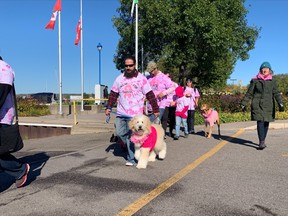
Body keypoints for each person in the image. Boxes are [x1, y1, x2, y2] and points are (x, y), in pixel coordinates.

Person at [105, 56, 159, 166]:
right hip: (121, 112)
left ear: (135, 65)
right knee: (120, 133)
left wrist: (155, 109)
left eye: (130, 65)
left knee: (130, 136)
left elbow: (150, 94)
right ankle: (133, 146)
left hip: (135, 114)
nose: (128, 67)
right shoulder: (119, 79)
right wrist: (108, 107)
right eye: (126, 66)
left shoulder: (141, 78)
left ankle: (132, 159)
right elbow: (113, 94)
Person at [0, 56, 30, 188]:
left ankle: (19, 169)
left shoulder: (3, 68)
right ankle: (19, 170)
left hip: (2, 117)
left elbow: (1, 93)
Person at [241, 61, 284, 150]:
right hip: (257, 104)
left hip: (269, 105)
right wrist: (243, 103)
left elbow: (276, 93)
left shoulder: (272, 81)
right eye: (263, 69)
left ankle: (263, 139)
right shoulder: (255, 81)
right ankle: (261, 142)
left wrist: (280, 103)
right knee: (260, 122)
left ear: (269, 70)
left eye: (266, 68)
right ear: (260, 70)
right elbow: (249, 93)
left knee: (266, 123)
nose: (264, 70)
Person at [146, 62, 175, 133]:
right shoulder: (148, 78)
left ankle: (155, 140)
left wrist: (164, 93)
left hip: (161, 103)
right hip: (151, 104)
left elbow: (173, 87)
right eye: (149, 71)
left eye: (152, 71)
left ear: (156, 68)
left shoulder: (164, 77)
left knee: (155, 121)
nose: (151, 73)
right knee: (149, 123)